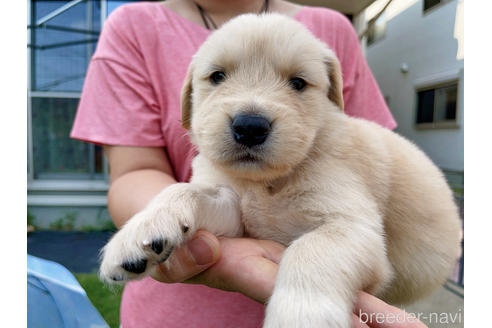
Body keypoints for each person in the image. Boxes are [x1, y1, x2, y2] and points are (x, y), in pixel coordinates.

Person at [71, 0, 425, 327]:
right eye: (218, 77)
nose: (251, 117)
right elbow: (137, 172)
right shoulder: (133, 27)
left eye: (297, 82)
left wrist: (309, 290)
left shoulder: (332, 30)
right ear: (189, 95)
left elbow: (366, 198)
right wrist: (173, 213)